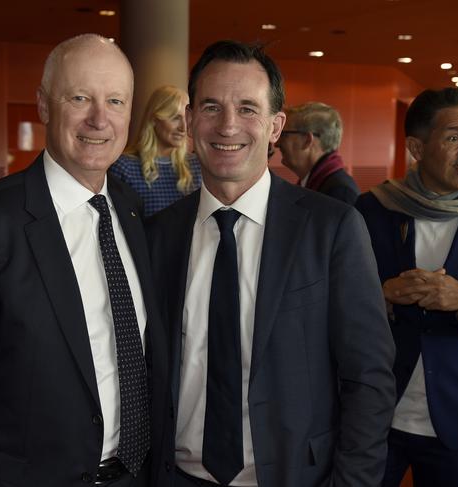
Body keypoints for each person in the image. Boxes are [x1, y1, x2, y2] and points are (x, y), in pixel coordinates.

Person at [145, 40, 396, 487]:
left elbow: (369, 378)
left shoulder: (332, 229)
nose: (227, 126)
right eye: (210, 107)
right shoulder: (158, 234)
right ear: (188, 121)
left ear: (276, 126)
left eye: (247, 108)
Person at [0, 34, 172, 487]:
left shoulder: (129, 206)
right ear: (43, 105)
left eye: (115, 101)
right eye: (80, 97)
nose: (100, 118)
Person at [355, 87, 458, 487]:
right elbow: (331, 305)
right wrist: (380, 294)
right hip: (376, 415)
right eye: (454, 138)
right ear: (417, 148)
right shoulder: (370, 211)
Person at [110, 85, 201, 217]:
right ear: (154, 119)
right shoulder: (125, 167)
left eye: (185, 118)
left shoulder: (196, 166)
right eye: (175, 118)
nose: (183, 127)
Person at [275, 102, 360, 205]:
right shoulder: (323, 183)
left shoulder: (341, 192)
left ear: (307, 140)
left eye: (283, 134)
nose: (277, 143)